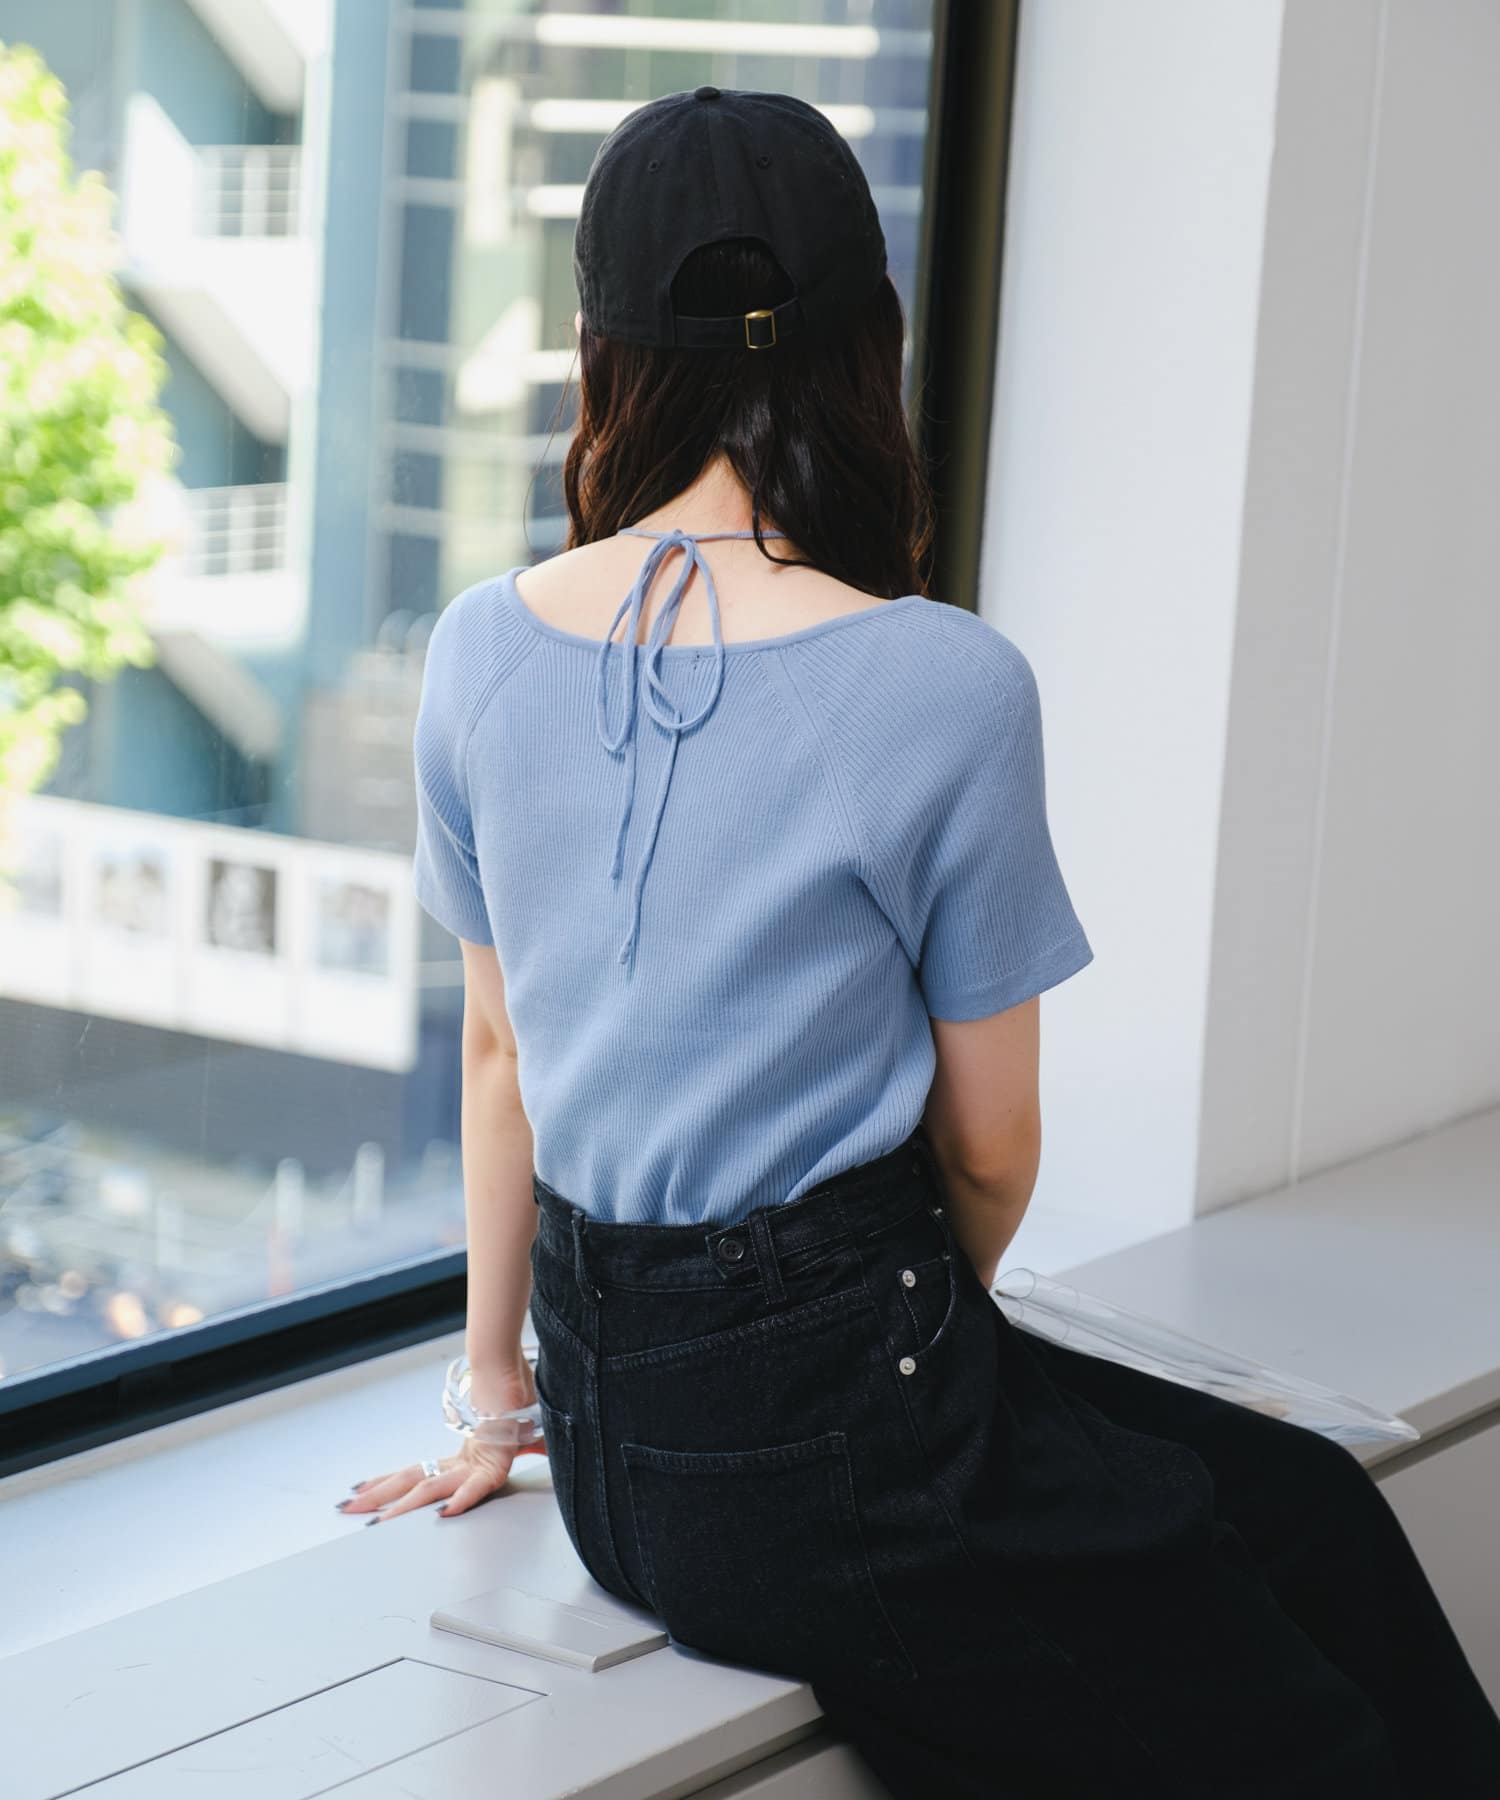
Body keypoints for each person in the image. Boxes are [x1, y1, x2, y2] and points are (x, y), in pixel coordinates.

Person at [338, 88, 1500, 1797]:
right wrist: (901, 1351)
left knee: (1306, 1509)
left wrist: (500, 1397)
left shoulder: (475, 649)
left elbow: (504, 1058)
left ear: (599, 352)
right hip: (846, 1443)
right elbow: (992, 1146)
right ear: (862, 350)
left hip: (609, 1456)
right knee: (1318, 1736)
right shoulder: (941, 680)